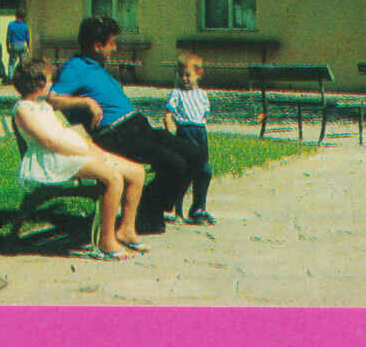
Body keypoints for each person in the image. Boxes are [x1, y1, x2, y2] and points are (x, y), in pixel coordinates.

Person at [47, 15, 203, 235]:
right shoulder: (76, 67)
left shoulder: (97, 66)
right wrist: (86, 102)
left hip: (137, 127)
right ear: (97, 46)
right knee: (175, 163)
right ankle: (148, 211)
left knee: (195, 155)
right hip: (116, 135)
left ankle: (148, 206)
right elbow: (52, 98)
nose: (115, 47)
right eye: (111, 43)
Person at [11, 59, 149, 260]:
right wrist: (82, 151)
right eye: (49, 80)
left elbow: (64, 132)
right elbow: (48, 141)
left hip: (70, 152)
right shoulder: (23, 109)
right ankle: (106, 241)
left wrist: (92, 148)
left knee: (137, 172)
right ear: (38, 83)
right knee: (113, 177)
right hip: (51, 160)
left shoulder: (44, 106)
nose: (52, 85)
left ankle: (126, 229)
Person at [163, 52, 216, 225]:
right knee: (184, 172)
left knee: (204, 171)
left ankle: (198, 208)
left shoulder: (202, 95)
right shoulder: (176, 94)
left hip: (200, 134)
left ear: (198, 74)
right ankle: (176, 209)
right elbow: (168, 116)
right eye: (181, 75)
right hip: (184, 134)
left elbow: (203, 117)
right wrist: (171, 135)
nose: (184, 79)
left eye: (188, 75)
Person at [5, 9, 30, 81]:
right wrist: (28, 47)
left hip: (14, 45)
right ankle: (23, 78)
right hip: (22, 45)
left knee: (11, 63)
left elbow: (8, 37)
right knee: (23, 63)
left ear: (16, 16)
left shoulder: (11, 25)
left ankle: (10, 78)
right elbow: (27, 38)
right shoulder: (25, 26)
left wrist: (7, 47)